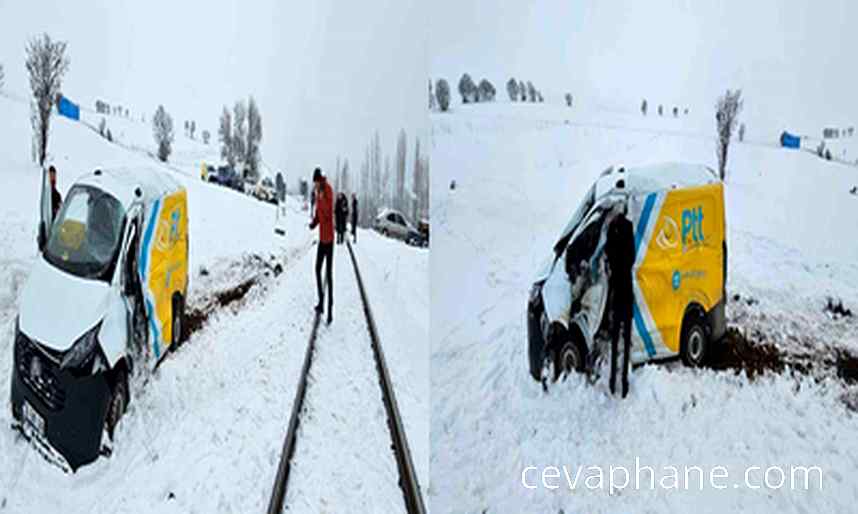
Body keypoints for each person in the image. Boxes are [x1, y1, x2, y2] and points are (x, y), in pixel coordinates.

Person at [604, 200, 635, 398]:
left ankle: (611, 381)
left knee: (615, 340)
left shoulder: (611, 229)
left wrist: (614, 267)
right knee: (627, 337)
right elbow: (632, 256)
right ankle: (624, 383)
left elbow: (607, 253)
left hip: (615, 290)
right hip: (627, 289)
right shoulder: (629, 227)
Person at [309, 168, 334, 324]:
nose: (315, 184)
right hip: (321, 238)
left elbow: (328, 212)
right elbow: (319, 214)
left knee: (329, 275)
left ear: (320, 180)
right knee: (317, 269)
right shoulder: (318, 192)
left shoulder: (328, 190)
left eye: (316, 182)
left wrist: (322, 197)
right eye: (315, 183)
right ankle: (321, 302)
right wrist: (313, 223)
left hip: (330, 240)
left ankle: (330, 309)